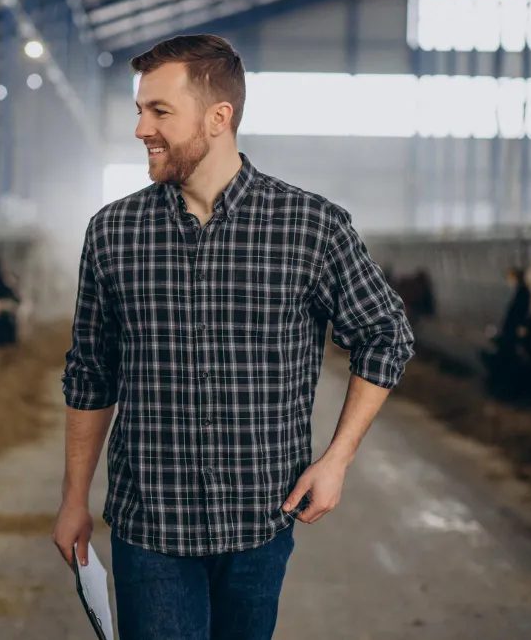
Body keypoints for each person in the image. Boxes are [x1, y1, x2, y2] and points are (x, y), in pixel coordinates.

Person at [52, 34, 415, 640]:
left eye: (159, 111)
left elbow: (386, 334)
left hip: (260, 521)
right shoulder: (114, 232)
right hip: (150, 527)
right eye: (140, 111)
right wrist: (73, 499)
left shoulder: (310, 226)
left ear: (219, 117)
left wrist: (337, 460)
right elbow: (91, 372)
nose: (141, 128)